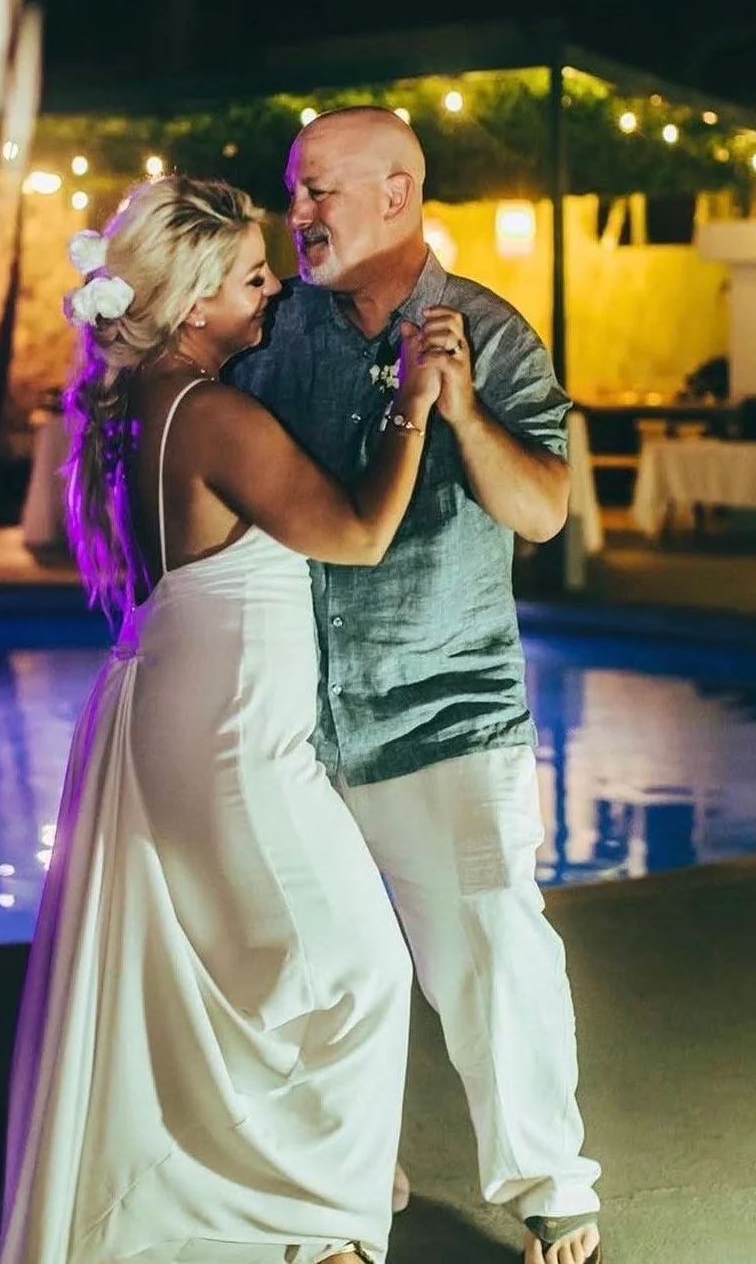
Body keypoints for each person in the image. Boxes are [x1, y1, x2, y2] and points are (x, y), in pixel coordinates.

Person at [0, 174, 447, 1264]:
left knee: (251, 975)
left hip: (180, 715)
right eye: (251, 277)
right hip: (239, 743)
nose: (272, 289)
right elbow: (358, 534)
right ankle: (321, 1225)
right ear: (194, 301)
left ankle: (277, 1193)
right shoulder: (214, 417)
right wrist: (413, 404)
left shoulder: (131, 408)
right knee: (359, 971)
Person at [226, 106, 603, 1264]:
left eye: (318, 191)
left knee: (492, 952)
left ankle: (549, 1187)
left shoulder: (489, 331)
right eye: (296, 191)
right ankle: (337, 1197)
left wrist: (462, 409)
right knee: (314, 969)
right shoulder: (275, 333)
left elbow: (543, 512)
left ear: (396, 194)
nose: (297, 214)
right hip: (297, 718)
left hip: (446, 712)